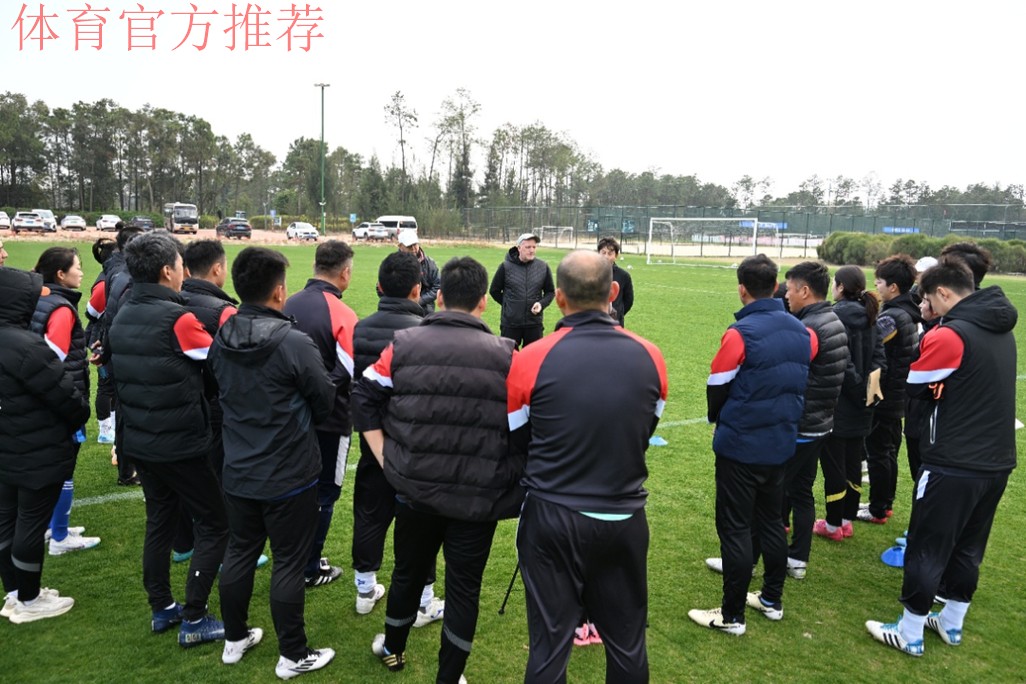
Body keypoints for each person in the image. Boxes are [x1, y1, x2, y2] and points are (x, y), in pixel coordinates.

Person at [353, 256, 521, 684]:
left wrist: (385, 456)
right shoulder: (506, 354)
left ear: (440, 297)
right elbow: (527, 427)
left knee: (409, 572)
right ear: (484, 302)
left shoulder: (408, 344)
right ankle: (421, 662)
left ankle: (395, 647)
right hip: (470, 497)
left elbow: (363, 397)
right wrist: (386, 457)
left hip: (425, 493)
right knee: (461, 588)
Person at [509, 250, 668, 681]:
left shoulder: (529, 358)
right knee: (628, 645)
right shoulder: (651, 356)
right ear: (613, 293)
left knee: (548, 648)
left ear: (558, 298)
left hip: (552, 518)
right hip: (622, 517)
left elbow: (520, 440)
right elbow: (644, 430)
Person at [866, 256, 1017, 656]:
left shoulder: (950, 335)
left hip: (953, 461)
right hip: (996, 461)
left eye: (929, 299)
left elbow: (916, 385)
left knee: (927, 545)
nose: (926, 306)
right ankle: (951, 623)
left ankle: (910, 631)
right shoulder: (1002, 329)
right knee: (969, 546)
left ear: (944, 293)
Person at [209, 247, 337, 679]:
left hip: (240, 469)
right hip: (286, 473)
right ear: (279, 291)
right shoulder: (292, 342)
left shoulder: (222, 336)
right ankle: (292, 653)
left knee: (240, 551)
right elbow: (324, 398)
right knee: (287, 560)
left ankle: (235, 638)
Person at [107, 231, 229, 648]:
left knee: (160, 520)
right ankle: (194, 617)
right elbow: (220, 364)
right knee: (215, 523)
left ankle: (162, 607)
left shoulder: (123, 312)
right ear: (166, 271)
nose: (184, 271)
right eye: (180, 264)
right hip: (180, 443)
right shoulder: (178, 319)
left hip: (140, 441)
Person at [690, 254, 809, 637]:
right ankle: (772, 598)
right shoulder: (801, 331)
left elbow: (717, 385)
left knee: (736, 527)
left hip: (742, 446)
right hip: (780, 442)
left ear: (741, 289)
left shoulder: (740, 333)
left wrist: (719, 419)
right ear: (775, 286)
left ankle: (732, 615)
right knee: (771, 520)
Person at [351, 251, 443, 623]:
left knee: (370, 513)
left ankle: (365, 587)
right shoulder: (428, 334)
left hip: (374, 439)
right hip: (412, 444)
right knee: (419, 522)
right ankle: (422, 598)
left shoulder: (359, 329)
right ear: (417, 289)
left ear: (378, 287)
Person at [0, 267, 90, 624]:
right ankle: (28, 599)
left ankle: (15, 593)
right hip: (35, 449)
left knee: (7, 519)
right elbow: (66, 397)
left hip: (9, 449)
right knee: (29, 522)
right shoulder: (25, 346)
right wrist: (77, 415)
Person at [283, 240, 359, 588]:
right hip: (331, 419)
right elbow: (347, 372)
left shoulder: (287, 303)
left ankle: (297, 557)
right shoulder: (342, 313)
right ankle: (309, 567)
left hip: (288, 416)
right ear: (344, 273)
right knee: (325, 492)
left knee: (298, 487)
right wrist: (318, 399)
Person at [776, 262, 847, 578]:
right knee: (801, 491)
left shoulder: (810, 329)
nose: (786, 295)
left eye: (790, 289)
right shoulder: (832, 319)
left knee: (774, 492)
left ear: (804, 291)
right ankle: (797, 561)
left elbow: (789, 373)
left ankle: (752, 559)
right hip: (820, 423)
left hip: (801, 425)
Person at [31, 247, 102, 556]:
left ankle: (53, 526)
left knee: (52, 468)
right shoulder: (61, 308)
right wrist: (70, 400)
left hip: (43, 403)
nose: (82, 272)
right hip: (62, 402)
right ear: (61, 274)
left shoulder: (40, 299)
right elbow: (52, 358)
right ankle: (60, 537)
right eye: (77, 267)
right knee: (64, 468)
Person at [813, 266, 883, 542]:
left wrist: (857, 389)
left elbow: (842, 361)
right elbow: (880, 359)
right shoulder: (871, 315)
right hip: (866, 402)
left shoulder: (836, 316)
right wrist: (869, 391)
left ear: (841, 287)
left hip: (840, 402)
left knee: (834, 464)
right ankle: (846, 520)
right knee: (854, 460)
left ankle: (833, 524)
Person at [861, 255, 922, 524]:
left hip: (885, 397)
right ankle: (883, 504)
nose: (876, 285)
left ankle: (877, 508)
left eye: (880, 282)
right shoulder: (907, 311)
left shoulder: (892, 317)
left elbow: (873, 350)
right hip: (898, 396)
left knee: (879, 453)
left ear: (893, 287)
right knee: (888, 452)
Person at [489, 232, 555, 348]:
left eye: (534, 247)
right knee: (509, 357)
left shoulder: (543, 267)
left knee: (533, 357)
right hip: (511, 324)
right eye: (528, 247)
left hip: (534, 324)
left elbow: (550, 292)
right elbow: (494, 291)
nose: (532, 250)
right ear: (519, 248)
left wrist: (541, 304)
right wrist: (509, 305)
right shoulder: (505, 266)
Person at [84, 237, 118, 445]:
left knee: (112, 384)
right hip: (101, 338)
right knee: (106, 385)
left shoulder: (111, 276)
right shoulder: (104, 281)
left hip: (108, 335)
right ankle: (105, 430)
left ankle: (112, 425)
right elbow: (92, 311)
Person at [377, 229, 440, 313]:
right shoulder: (392, 263)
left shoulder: (430, 264)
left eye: (415, 244)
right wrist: (400, 302)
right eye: (409, 246)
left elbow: (437, 286)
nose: (414, 249)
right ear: (400, 246)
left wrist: (420, 300)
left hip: (425, 312)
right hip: (397, 311)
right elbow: (381, 288)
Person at [597, 236, 634, 325]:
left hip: (615, 322)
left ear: (616, 256)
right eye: (603, 253)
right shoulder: (589, 273)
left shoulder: (623, 276)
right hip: (594, 321)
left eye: (610, 253)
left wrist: (618, 313)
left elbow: (628, 300)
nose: (606, 256)